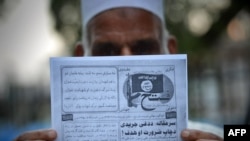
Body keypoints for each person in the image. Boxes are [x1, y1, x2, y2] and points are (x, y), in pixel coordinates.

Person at [14, 0, 224, 141]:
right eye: (107, 50)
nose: (127, 63)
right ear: (81, 56)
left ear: (169, 50)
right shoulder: (55, 136)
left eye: (143, 48)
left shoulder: (211, 135)